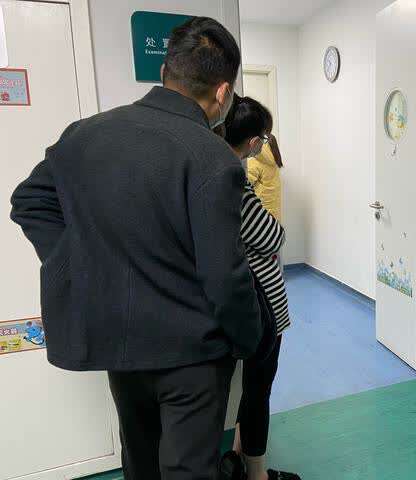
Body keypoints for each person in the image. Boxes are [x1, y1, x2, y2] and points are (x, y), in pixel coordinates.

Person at [10, 17, 264, 480]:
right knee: (189, 471)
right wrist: (250, 338)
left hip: (121, 347)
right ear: (223, 92)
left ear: (164, 71)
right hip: (193, 353)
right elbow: (224, 276)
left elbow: (30, 201)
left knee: (141, 463)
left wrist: (78, 261)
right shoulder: (212, 157)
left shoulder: (84, 134)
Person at [218, 95, 298, 480]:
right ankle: (258, 475)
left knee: (249, 386)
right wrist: (273, 229)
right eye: (262, 138)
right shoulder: (232, 184)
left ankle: (237, 455)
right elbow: (273, 237)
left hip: (242, 300)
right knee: (258, 388)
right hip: (261, 301)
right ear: (252, 141)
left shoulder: (214, 174)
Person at [247, 114, 284, 222]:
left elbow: (244, 184)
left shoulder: (256, 158)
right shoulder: (271, 149)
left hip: (262, 215)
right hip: (274, 213)